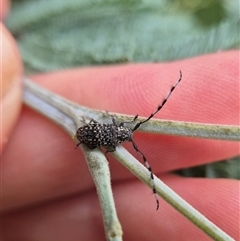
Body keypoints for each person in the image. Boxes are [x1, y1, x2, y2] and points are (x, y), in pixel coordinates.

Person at [1, 3, 239, 241]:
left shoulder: (114, 132)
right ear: (122, 134)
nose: (129, 137)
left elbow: (107, 134)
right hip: (87, 133)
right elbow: (106, 142)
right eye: (128, 135)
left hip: (88, 133)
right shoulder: (115, 139)